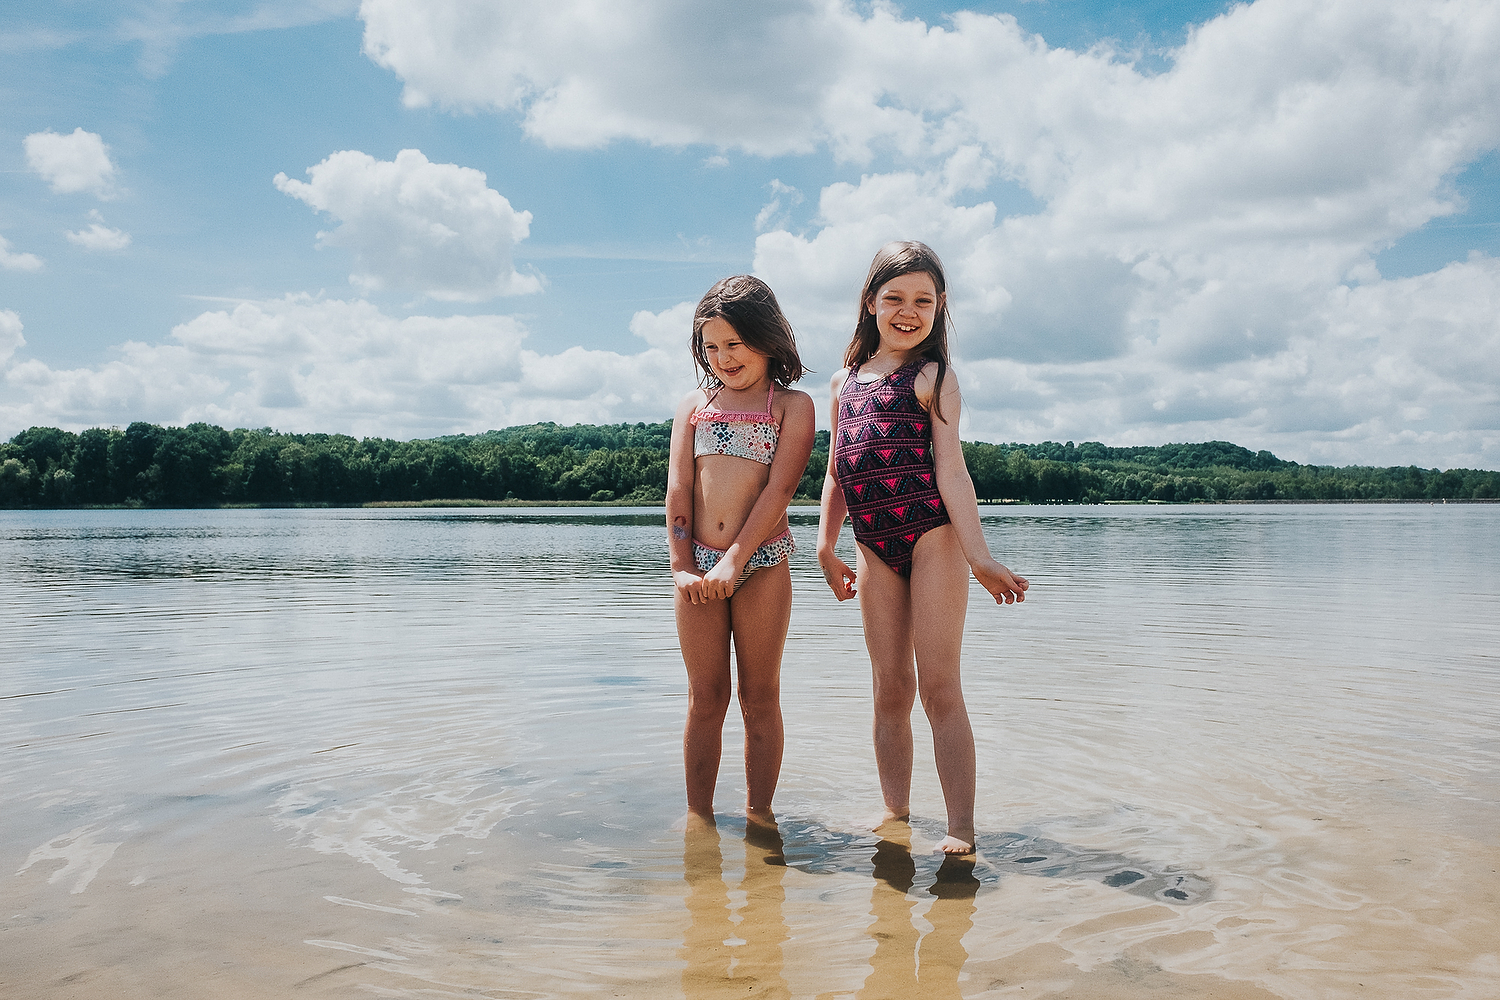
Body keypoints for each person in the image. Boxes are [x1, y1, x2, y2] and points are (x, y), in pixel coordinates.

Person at [817, 241, 1029, 855]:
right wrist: (826, 545)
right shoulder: (844, 381)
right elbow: (837, 470)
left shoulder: (934, 377)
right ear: (871, 303)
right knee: (889, 687)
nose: (909, 312)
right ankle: (896, 812)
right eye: (896, 298)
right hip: (872, 546)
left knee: (939, 686)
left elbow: (951, 469)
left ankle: (961, 826)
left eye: (924, 301)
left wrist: (979, 555)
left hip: (933, 536)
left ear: (940, 309)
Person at [667, 275, 816, 832]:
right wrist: (684, 565)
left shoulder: (792, 406)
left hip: (763, 564)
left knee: (759, 696)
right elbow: (679, 490)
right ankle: (698, 818)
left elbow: (780, 490)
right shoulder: (694, 406)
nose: (724, 357)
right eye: (712, 346)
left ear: (767, 338)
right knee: (706, 696)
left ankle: (760, 815)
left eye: (735, 343)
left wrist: (736, 559)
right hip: (698, 567)